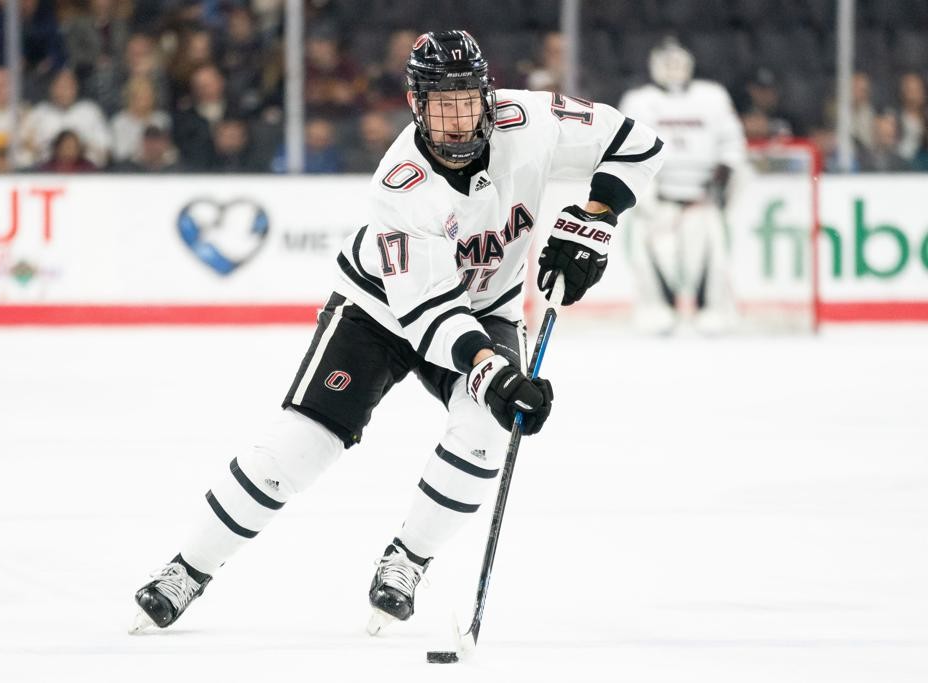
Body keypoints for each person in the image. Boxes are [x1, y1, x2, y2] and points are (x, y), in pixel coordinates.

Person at [130, 30, 663, 635]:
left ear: (489, 98)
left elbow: (638, 147)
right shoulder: (400, 184)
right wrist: (494, 372)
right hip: (382, 309)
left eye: (468, 104)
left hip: (487, 304)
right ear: (416, 107)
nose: (460, 124)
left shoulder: (533, 120)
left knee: (486, 430)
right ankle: (188, 569)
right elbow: (429, 315)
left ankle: (407, 560)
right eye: (443, 108)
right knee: (302, 445)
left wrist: (595, 219)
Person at [618, 37, 746, 334]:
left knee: (711, 258)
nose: (674, 70)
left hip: (703, 195)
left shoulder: (712, 97)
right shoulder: (638, 100)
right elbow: (626, 147)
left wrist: (724, 174)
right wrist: (642, 189)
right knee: (653, 257)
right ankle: (658, 307)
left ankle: (710, 308)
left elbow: (732, 142)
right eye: (668, 64)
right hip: (657, 196)